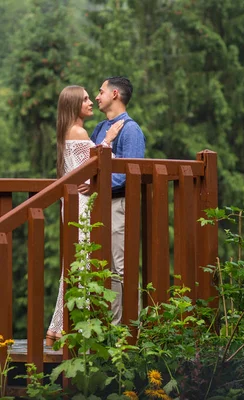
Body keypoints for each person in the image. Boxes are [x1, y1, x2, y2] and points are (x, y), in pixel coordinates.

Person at [46, 85, 124, 346]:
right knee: (82, 265)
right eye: (85, 99)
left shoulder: (68, 131)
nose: (91, 102)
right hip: (81, 206)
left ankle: (57, 329)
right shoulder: (77, 131)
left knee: (75, 265)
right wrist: (109, 138)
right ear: (73, 105)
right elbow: (96, 163)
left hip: (73, 204)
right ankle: (74, 330)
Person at [90, 76, 146, 325]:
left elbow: (127, 175)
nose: (96, 96)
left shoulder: (131, 129)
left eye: (101, 91)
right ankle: (113, 328)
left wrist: (96, 183)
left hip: (118, 205)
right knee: (106, 270)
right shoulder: (100, 129)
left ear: (114, 94)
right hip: (99, 205)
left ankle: (134, 330)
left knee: (122, 268)